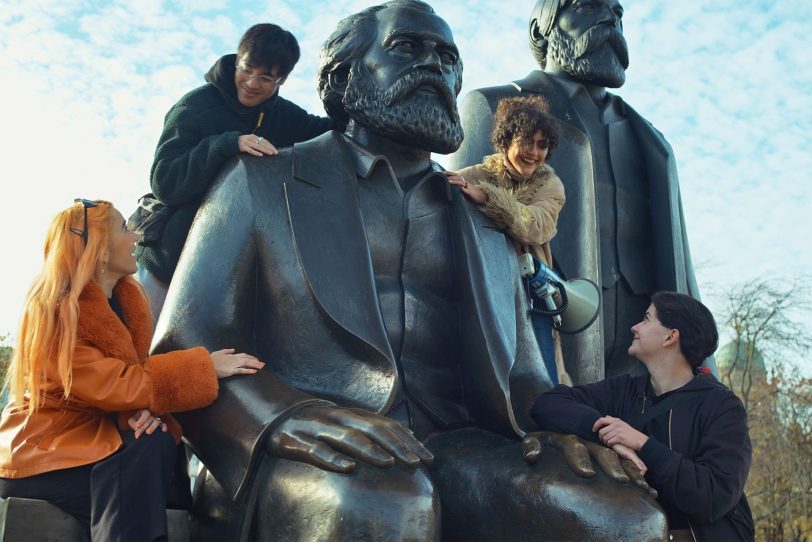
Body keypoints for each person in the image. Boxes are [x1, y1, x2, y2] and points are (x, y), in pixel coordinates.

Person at [153, 2, 667, 540]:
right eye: (407, 48)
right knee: (383, 503)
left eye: (448, 58)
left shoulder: (480, 213)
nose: (434, 67)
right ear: (344, 75)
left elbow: (524, 374)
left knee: (619, 513)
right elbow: (185, 344)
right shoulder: (262, 181)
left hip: (456, 443)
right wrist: (285, 416)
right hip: (304, 442)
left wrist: (568, 430)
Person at [449, 0, 706, 385]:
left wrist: (703, 369)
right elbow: (464, 252)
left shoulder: (652, 140)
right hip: (544, 340)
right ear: (541, 32)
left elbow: (682, 269)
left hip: (645, 357)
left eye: (619, 13)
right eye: (588, 6)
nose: (610, 19)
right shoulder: (491, 105)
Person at [0, 199, 263, 541]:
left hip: (96, 437)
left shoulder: (127, 301)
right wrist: (204, 368)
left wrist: (141, 411)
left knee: (159, 456)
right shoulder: (57, 309)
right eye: (124, 228)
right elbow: (116, 385)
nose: (135, 236)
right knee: (147, 453)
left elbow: (125, 382)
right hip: (47, 452)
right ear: (101, 248)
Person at [136, 23, 336, 321]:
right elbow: (165, 182)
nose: (252, 83)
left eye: (266, 77)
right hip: (168, 261)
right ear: (237, 60)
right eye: (247, 69)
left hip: (232, 274)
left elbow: (332, 134)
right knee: (140, 352)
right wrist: (227, 144)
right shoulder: (196, 107)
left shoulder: (284, 116)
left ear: (282, 80)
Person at [530, 291, 754, 541]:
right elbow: (547, 403)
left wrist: (642, 444)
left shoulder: (722, 406)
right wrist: (608, 435)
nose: (635, 327)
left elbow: (712, 496)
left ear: (671, 336)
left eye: (647, 319)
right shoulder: (624, 390)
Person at [445, 95, 571, 385]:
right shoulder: (475, 175)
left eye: (542, 145)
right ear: (506, 141)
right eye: (527, 141)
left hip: (530, 295)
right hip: (482, 292)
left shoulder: (550, 185)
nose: (534, 152)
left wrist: (488, 197)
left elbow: (536, 226)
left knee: (542, 381)